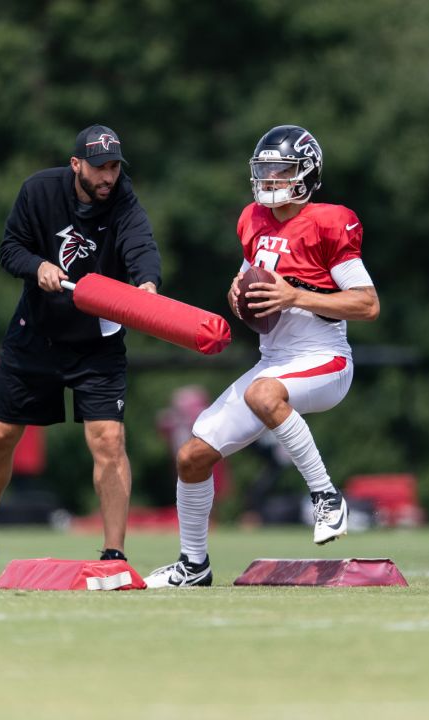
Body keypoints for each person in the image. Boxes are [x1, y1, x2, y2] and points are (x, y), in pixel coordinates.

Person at [144, 124, 380, 588]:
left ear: (307, 174)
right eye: (265, 170)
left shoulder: (330, 222)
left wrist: (297, 297)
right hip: (273, 359)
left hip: (324, 356)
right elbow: (249, 278)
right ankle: (194, 566)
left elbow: (367, 304)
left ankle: (327, 498)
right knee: (192, 456)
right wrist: (235, 292)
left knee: (262, 393)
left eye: (281, 170)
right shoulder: (252, 218)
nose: (270, 179)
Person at [0, 124, 162, 584]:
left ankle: (113, 556)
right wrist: (39, 266)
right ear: (76, 165)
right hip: (37, 335)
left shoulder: (123, 199)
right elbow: (10, 250)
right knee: (0, 434)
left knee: (108, 440)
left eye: (114, 167)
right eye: (100, 168)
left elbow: (140, 246)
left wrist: (147, 283)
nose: (108, 177)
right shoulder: (39, 191)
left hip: (98, 343)